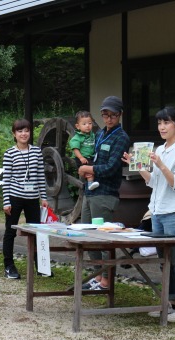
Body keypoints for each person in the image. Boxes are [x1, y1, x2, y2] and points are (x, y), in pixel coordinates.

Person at [122, 106, 175, 322]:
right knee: (165, 261)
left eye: (167, 123)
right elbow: (154, 182)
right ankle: (171, 304)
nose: (162, 127)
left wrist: (161, 165)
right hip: (157, 211)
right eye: (159, 123)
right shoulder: (160, 149)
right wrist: (137, 166)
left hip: (174, 213)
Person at [78, 96, 131, 291]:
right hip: (90, 191)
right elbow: (93, 157)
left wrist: (89, 170)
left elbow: (111, 167)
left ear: (120, 115)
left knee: (104, 239)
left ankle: (107, 281)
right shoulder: (100, 134)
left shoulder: (122, 137)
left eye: (113, 115)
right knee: (88, 236)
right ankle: (98, 277)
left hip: (106, 193)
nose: (109, 119)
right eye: (105, 115)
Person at [1, 118, 49, 280]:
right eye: (20, 131)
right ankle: (9, 266)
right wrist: (6, 201)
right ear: (14, 134)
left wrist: (44, 197)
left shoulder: (36, 151)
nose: (23, 134)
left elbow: (40, 176)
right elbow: (6, 179)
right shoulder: (9, 153)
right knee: (10, 232)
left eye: (26, 130)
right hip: (15, 197)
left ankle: (41, 266)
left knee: (37, 232)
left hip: (33, 198)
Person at [69, 110, 99, 190]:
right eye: (84, 124)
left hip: (90, 157)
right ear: (78, 126)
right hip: (82, 158)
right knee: (90, 170)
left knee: (96, 167)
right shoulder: (77, 137)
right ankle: (90, 184)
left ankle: (93, 183)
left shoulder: (92, 135)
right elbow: (75, 149)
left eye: (90, 123)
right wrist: (81, 158)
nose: (88, 126)